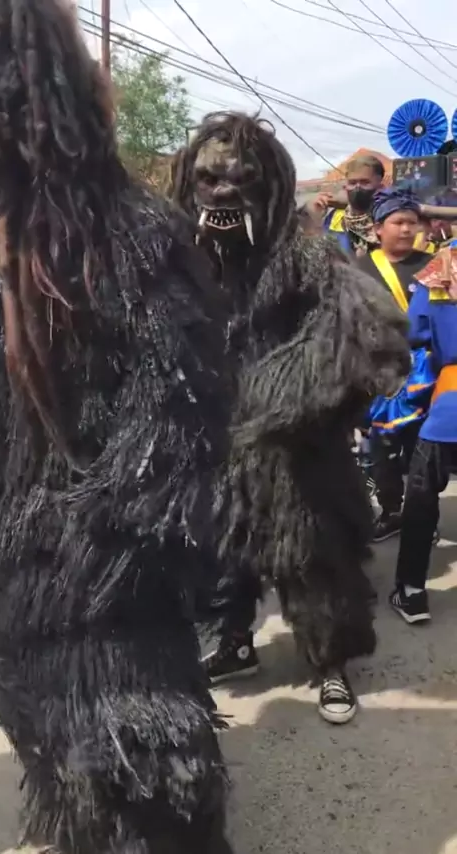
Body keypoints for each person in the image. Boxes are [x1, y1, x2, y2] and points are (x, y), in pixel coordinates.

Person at [0, 4, 236, 853]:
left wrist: (93, 552)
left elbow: (181, 422)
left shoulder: (126, 236)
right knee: (57, 754)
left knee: (144, 781)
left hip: (103, 589)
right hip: (2, 585)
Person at [167, 111, 410, 724]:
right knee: (220, 559)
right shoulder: (179, 264)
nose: (224, 193)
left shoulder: (305, 254)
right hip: (217, 449)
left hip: (296, 453)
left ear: (268, 187)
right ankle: (234, 643)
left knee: (312, 561)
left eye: (240, 180)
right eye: (210, 180)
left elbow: (370, 334)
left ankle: (330, 664)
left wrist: (281, 397)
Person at [357, 188, 435, 543]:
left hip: (425, 371)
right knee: (381, 447)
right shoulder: (359, 269)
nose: (406, 229)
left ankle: (423, 516)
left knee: (423, 450)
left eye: (412, 222)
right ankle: (392, 511)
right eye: (398, 222)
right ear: (378, 229)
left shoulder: (434, 265)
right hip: (378, 371)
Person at [391, 242, 457, 623]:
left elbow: (414, 332)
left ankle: (412, 590)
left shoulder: (441, 269)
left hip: (450, 407)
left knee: (420, 497)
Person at [310, 154, 385, 256]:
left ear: (381, 187)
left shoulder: (389, 219)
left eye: (365, 182)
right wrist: (313, 217)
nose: (357, 188)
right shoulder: (334, 218)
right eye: (352, 183)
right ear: (345, 187)